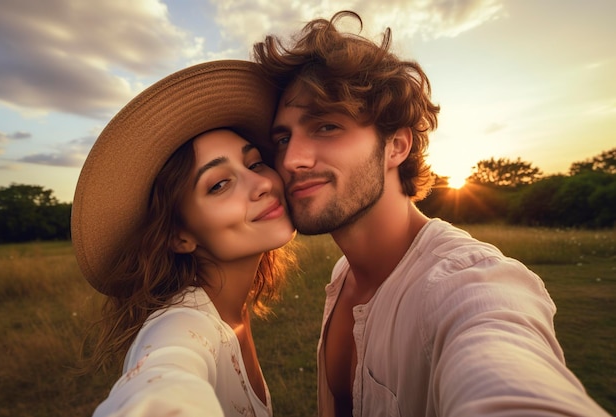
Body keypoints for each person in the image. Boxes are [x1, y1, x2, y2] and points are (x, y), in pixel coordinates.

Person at [252, 10, 611, 417]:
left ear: (397, 146)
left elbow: (506, 365)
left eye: (327, 127)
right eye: (283, 138)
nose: (292, 159)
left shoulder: (466, 285)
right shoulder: (344, 275)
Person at [72, 60, 296, 417]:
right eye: (219, 184)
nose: (263, 183)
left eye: (254, 164)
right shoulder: (181, 324)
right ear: (180, 235)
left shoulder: (231, 310)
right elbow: (164, 378)